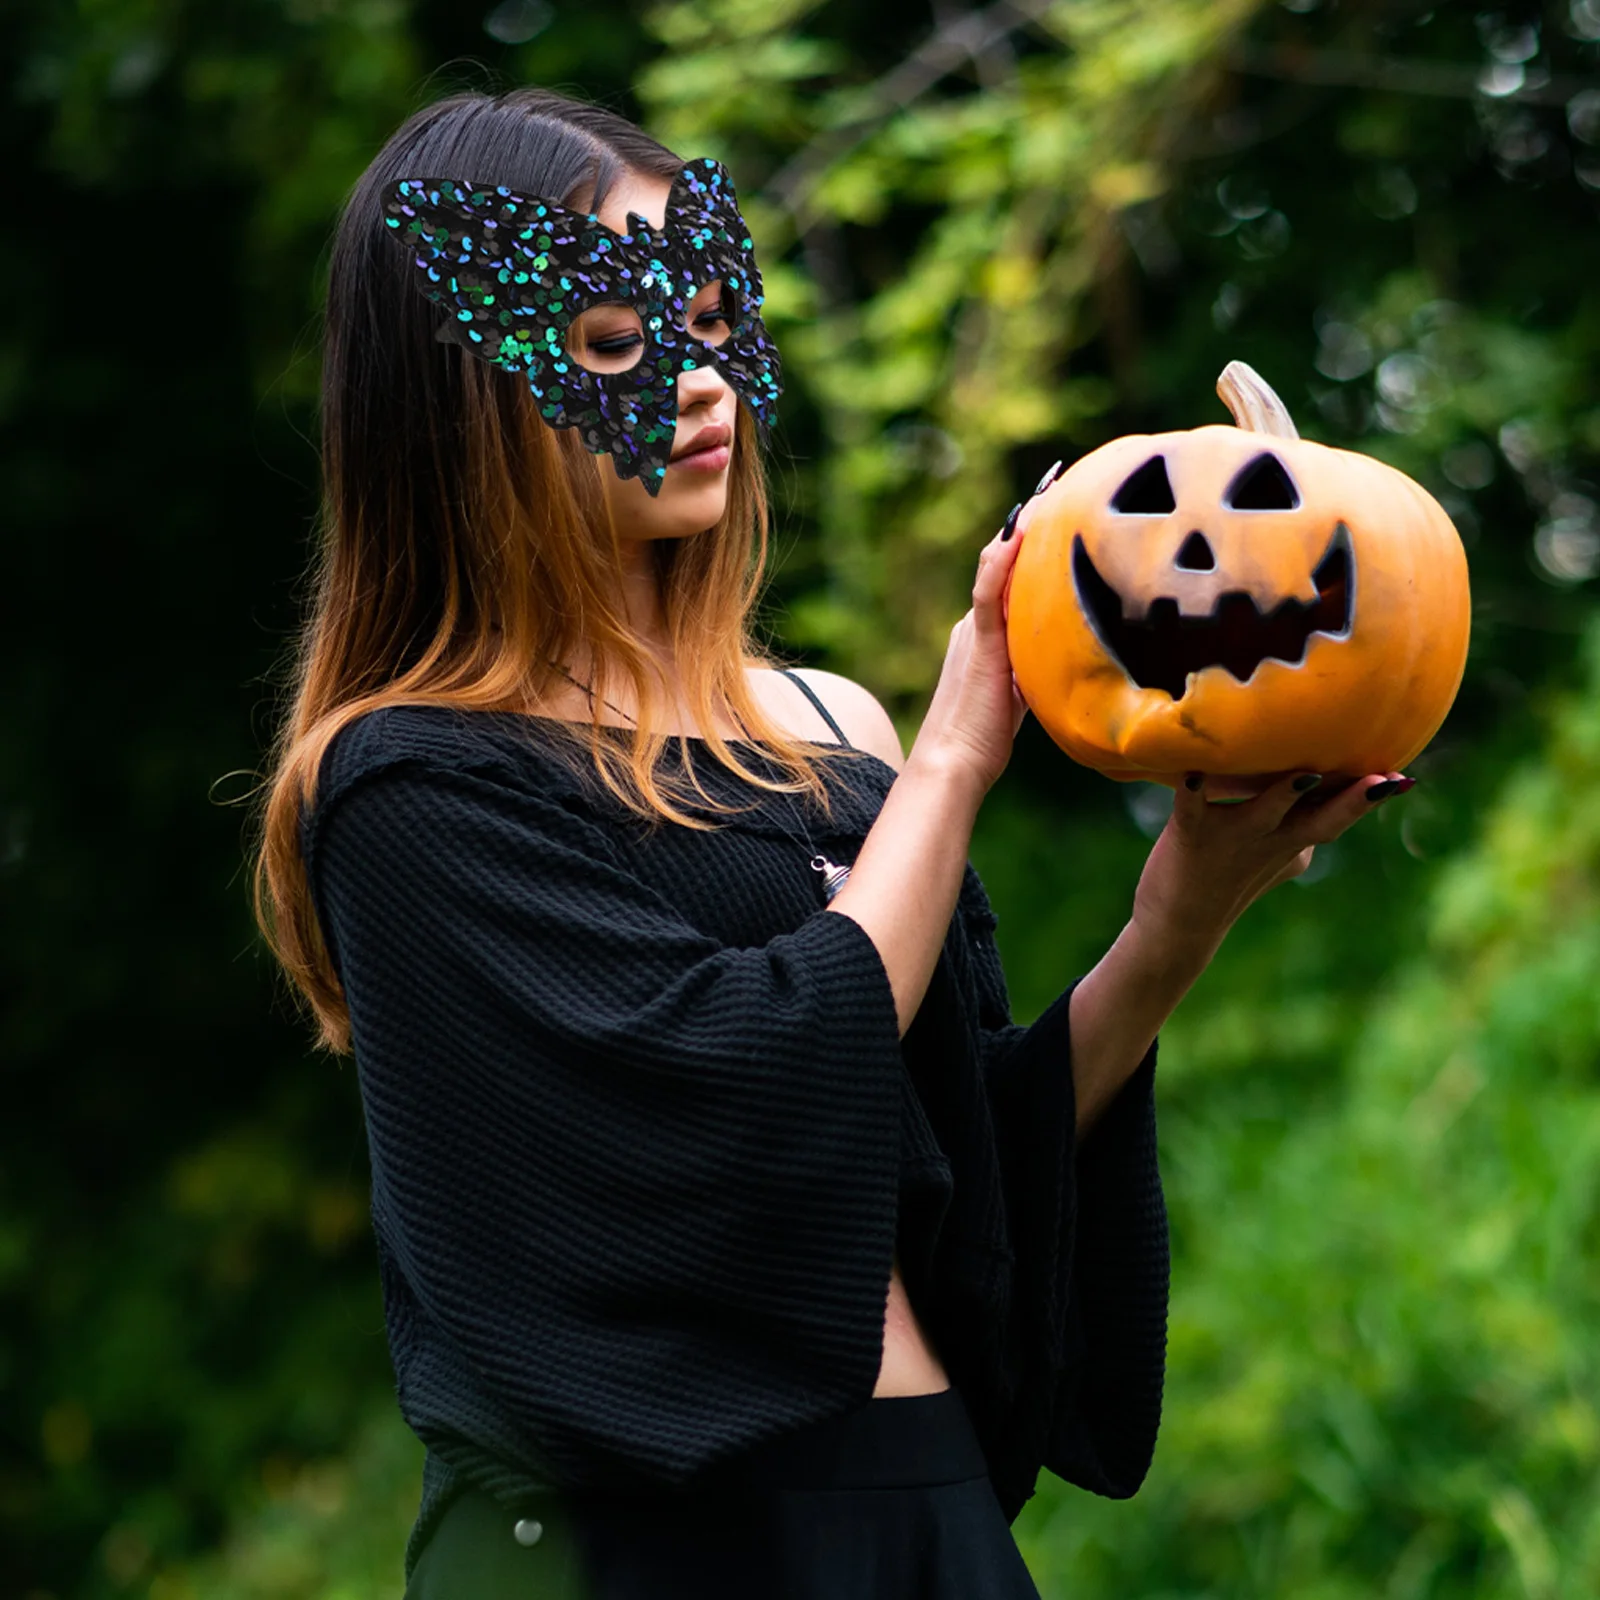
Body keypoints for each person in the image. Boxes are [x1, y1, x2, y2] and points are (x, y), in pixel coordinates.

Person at [253, 85, 1412, 1599]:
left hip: (913, 1513)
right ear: (454, 390)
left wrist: (1176, 920)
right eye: (613, 341)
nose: (695, 377)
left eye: (715, 318)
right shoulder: (413, 785)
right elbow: (730, 1098)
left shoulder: (833, 732)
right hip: (632, 1556)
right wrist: (959, 749)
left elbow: (951, 1163)